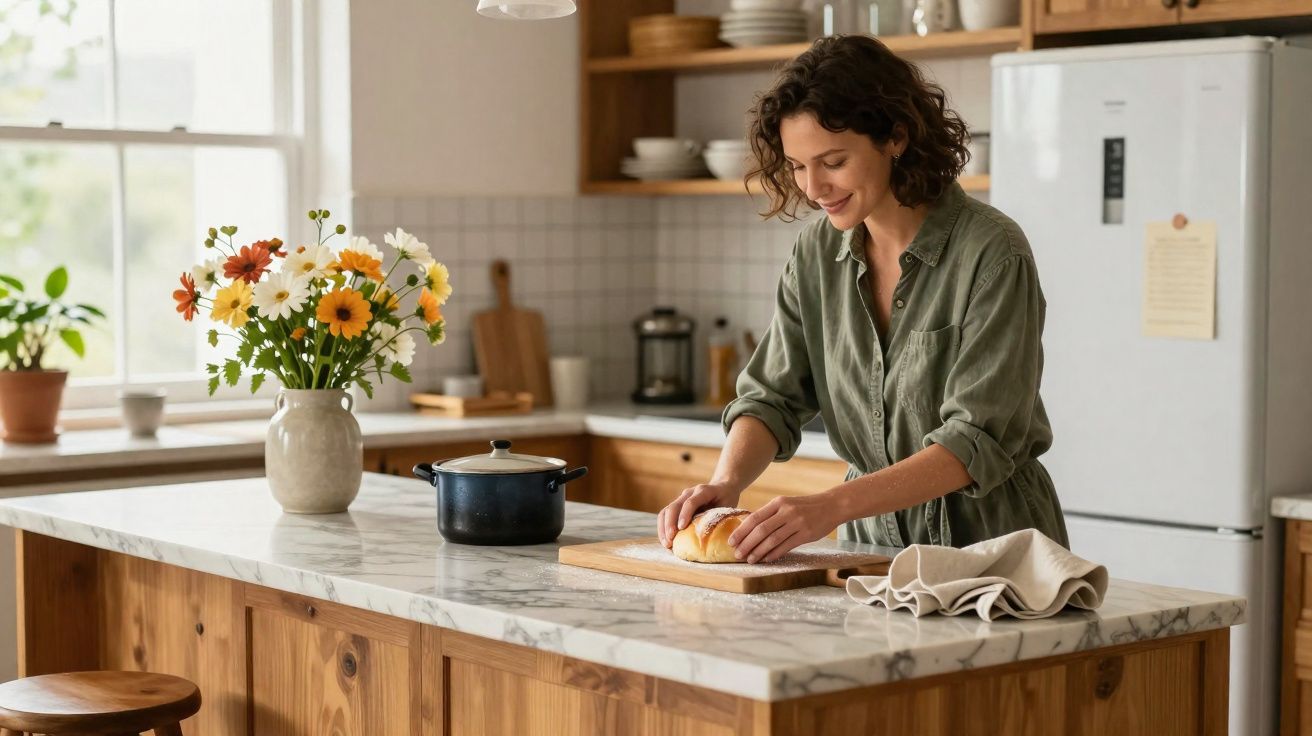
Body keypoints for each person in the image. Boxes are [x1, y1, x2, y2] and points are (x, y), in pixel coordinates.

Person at [657, 35, 1067, 563]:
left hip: (991, 552)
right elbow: (772, 396)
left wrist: (831, 505)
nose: (813, 187)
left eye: (832, 161)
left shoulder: (992, 252)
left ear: (895, 137)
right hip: (870, 551)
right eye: (798, 166)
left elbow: (975, 441)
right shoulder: (816, 251)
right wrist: (727, 480)